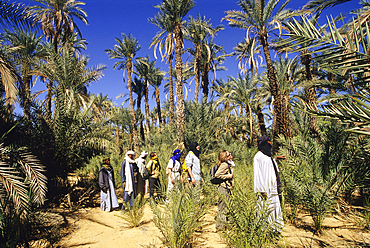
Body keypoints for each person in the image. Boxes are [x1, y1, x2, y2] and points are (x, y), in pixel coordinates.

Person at [253, 134, 284, 231]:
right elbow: (257, 175)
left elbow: (271, 168)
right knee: (265, 209)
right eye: (268, 143)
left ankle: (275, 228)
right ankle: (264, 230)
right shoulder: (258, 157)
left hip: (273, 188)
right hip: (265, 190)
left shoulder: (268, 157)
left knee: (275, 208)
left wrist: (276, 159)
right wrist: (261, 190)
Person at [215, 150, 234, 231]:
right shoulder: (224, 165)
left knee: (226, 206)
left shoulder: (228, 164)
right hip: (223, 188)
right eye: (229, 154)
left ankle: (225, 225)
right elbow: (217, 175)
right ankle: (220, 227)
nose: (231, 155)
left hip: (226, 188)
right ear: (225, 157)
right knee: (223, 207)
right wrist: (228, 176)